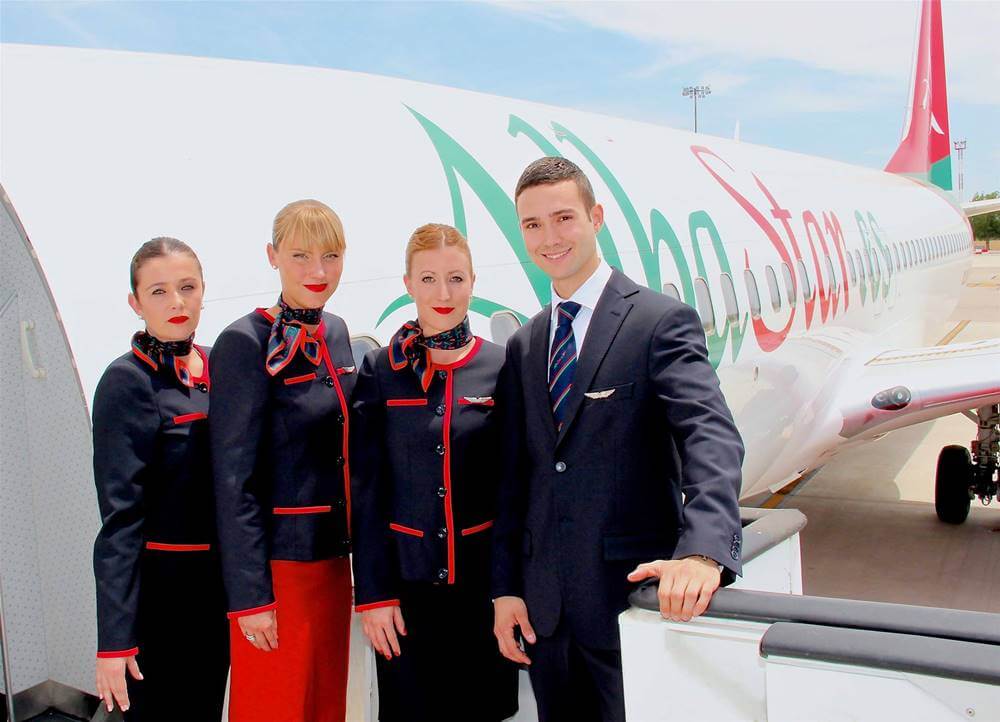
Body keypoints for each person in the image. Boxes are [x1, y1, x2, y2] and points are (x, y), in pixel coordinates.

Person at [492, 157, 745, 722]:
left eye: (563, 217)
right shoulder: (528, 342)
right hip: (548, 615)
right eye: (533, 224)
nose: (549, 237)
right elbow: (519, 477)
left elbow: (711, 435)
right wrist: (506, 587)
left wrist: (704, 549)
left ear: (596, 216)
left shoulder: (658, 321)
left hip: (629, 604)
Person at [351, 223, 518, 722]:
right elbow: (367, 490)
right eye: (428, 279)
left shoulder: (501, 367)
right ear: (408, 284)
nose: (442, 294)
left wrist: (511, 590)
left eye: (455, 278)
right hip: (407, 593)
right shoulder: (381, 372)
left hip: (483, 592)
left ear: (473, 282)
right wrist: (374, 594)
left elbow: (515, 488)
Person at [210, 200, 355, 722]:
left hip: (333, 565)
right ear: (272, 256)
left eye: (331, 256)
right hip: (277, 572)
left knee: (324, 704)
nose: (318, 271)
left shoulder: (335, 331)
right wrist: (250, 597)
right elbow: (232, 479)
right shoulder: (243, 342)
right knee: (274, 707)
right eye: (300, 256)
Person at [92, 237, 228, 720]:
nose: (176, 302)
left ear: (203, 291)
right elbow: (119, 519)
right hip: (162, 601)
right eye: (158, 291)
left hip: (219, 596)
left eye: (187, 287)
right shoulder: (127, 381)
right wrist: (114, 641)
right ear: (135, 303)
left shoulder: (223, 366)